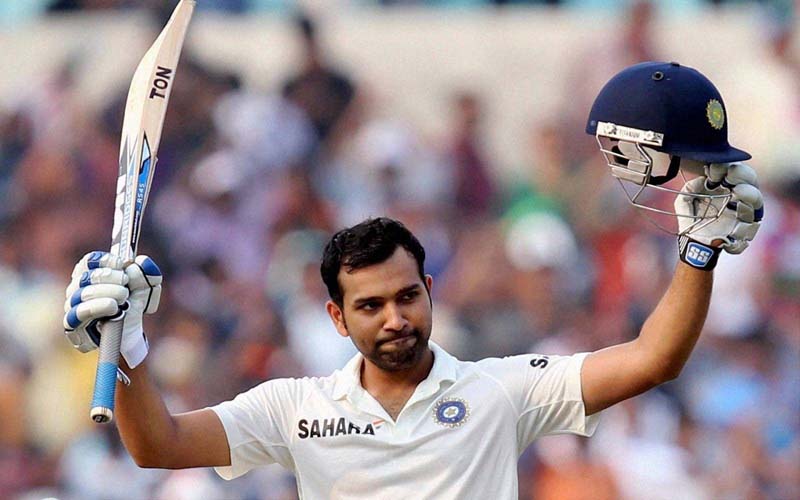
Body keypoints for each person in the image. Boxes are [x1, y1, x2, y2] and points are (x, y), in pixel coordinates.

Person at [61, 62, 763, 498]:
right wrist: (128, 350)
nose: (395, 318)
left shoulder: (500, 392)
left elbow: (653, 358)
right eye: (370, 306)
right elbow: (157, 446)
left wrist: (698, 253)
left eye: (406, 296)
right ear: (338, 319)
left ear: (429, 288)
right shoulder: (295, 407)